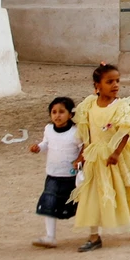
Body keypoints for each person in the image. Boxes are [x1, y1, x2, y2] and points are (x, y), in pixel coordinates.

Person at [71, 63, 130, 251]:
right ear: (97, 85)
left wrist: (116, 153)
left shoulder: (121, 108)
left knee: (126, 189)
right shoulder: (89, 106)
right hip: (96, 158)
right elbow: (87, 133)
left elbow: (125, 132)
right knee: (93, 194)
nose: (115, 85)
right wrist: (82, 155)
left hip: (116, 158)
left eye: (117, 81)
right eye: (110, 82)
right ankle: (94, 236)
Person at [28, 96, 81, 248]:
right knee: (49, 203)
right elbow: (46, 143)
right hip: (53, 175)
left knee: (81, 205)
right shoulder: (49, 129)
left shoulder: (76, 132)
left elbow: (83, 148)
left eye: (61, 112)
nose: (57, 115)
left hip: (71, 177)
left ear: (70, 114)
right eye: (54, 112)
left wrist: (79, 161)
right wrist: (38, 148)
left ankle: (94, 232)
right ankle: (50, 236)